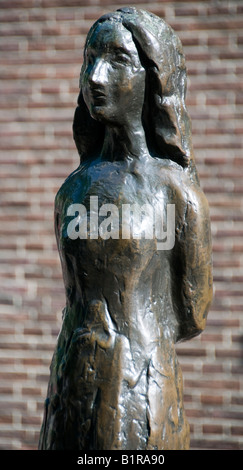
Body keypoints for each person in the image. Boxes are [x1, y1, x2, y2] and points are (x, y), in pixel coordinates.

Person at [39, 7, 213, 450]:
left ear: (153, 79)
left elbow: (193, 314)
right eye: (90, 59)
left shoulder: (176, 193)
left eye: (117, 60)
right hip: (70, 389)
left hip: (143, 389)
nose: (95, 77)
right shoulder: (72, 191)